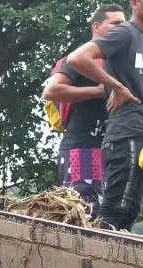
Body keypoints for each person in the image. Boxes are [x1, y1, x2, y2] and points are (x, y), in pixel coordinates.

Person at [43, 5, 126, 211]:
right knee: (82, 214)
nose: (121, 29)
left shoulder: (121, 62)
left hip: (113, 151)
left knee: (109, 219)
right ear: (96, 27)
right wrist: (100, 90)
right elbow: (51, 91)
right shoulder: (79, 58)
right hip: (81, 148)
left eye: (124, 25)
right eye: (115, 23)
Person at [70, 0, 143, 231]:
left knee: (130, 210)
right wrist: (117, 87)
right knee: (114, 210)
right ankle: (93, 262)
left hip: (139, 130)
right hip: (127, 128)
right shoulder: (125, 32)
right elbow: (78, 58)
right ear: (135, 3)